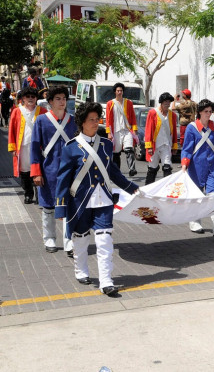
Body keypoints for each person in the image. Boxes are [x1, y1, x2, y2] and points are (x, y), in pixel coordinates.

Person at [55, 102, 139, 297]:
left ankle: (106, 281)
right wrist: (60, 207)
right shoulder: (71, 147)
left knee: (104, 240)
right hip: (80, 202)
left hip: (104, 200)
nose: (95, 123)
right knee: (81, 239)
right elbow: (63, 179)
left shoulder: (107, 145)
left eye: (97, 119)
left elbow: (113, 173)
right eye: (91, 120)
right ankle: (81, 271)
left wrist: (132, 188)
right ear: (82, 123)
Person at [30, 86, 76, 255]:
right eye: (58, 98)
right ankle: (49, 238)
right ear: (50, 102)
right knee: (48, 206)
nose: (62, 102)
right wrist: (36, 172)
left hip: (69, 171)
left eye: (64, 98)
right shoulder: (41, 120)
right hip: (48, 170)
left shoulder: (73, 121)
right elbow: (35, 147)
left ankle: (69, 240)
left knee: (69, 206)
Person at [181, 99, 214, 236]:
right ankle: (195, 221)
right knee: (197, 196)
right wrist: (185, 164)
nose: (208, 114)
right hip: (196, 167)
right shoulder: (192, 128)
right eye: (206, 111)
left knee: (213, 195)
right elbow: (187, 149)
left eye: (210, 111)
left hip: (213, 166)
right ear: (199, 113)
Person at [8, 87, 44, 203]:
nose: (30, 99)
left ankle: (40, 195)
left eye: (32, 97)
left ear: (36, 98)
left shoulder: (43, 111)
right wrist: (12, 148)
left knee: (39, 170)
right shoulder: (17, 111)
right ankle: (28, 194)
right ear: (23, 98)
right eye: (27, 96)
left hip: (39, 148)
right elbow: (12, 130)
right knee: (25, 172)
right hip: (22, 147)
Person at [144, 92, 178, 185]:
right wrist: (149, 146)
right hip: (155, 145)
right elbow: (148, 129)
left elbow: (174, 131)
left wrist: (175, 146)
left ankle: (167, 188)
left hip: (166, 145)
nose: (167, 104)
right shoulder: (152, 113)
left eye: (169, 102)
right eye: (165, 102)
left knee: (167, 167)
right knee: (152, 168)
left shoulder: (173, 115)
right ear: (161, 102)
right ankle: (148, 188)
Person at [105, 82, 138, 176]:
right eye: (118, 91)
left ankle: (132, 169)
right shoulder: (110, 104)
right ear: (115, 92)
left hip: (127, 130)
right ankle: (116, 172)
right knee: (116, 153)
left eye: (121, 90)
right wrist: (109, 133)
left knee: (129, 149)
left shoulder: (129, 103)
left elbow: (133, 117)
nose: (119, 92)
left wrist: (134, 130)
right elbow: (107, 119)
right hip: (116, 131)